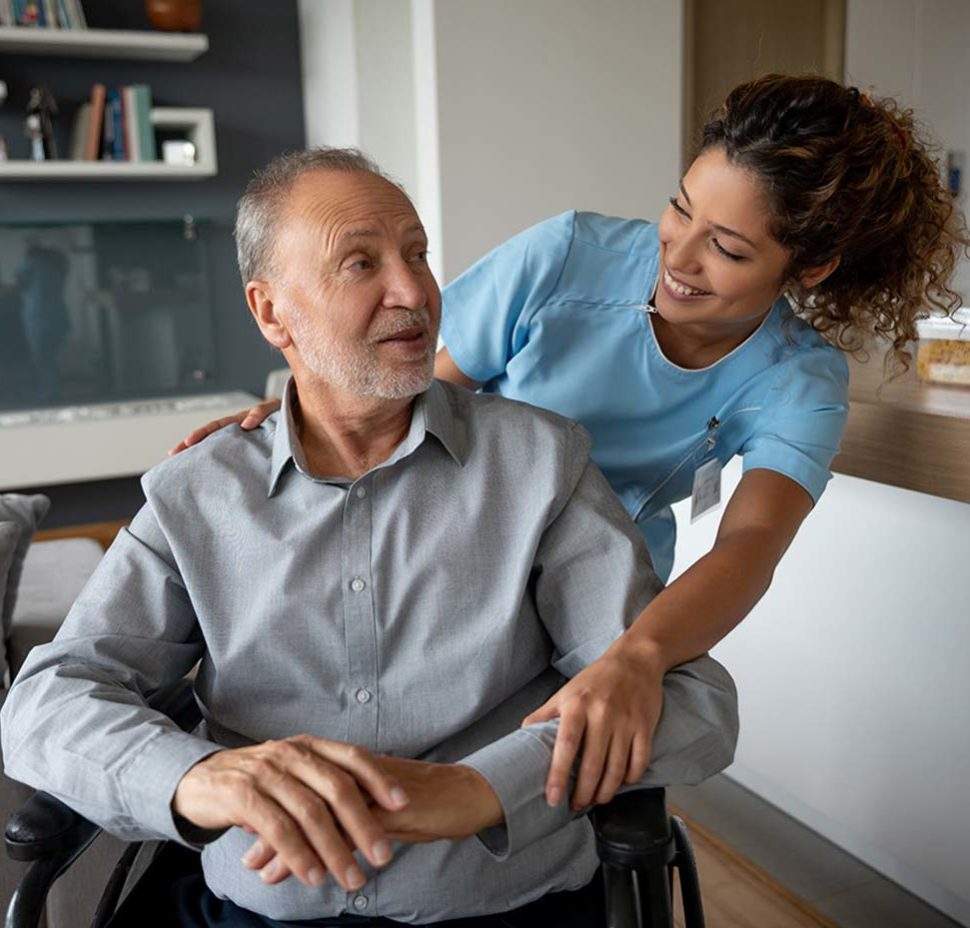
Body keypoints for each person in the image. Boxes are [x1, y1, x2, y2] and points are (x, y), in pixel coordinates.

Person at [177, 74, 969, 813]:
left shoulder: (798, 378)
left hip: (594, 601)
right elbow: (412, 391)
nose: (680, 258)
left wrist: (637, 656)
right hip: (448, 551)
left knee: (626, 733)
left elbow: (751, 543)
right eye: (679, 208)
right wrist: (293, 418)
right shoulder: (567, 258)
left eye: (727, 248)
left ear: (814, 266)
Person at [1, 150, 738, 927]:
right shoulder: (198, 491)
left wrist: (484, 788)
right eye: (361, 262)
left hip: (507, 909)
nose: (414, 290)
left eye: (417, 253)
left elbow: (690, 700)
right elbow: (45, 701)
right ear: (271, 313)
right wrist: (199, 778)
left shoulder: (540, 465)